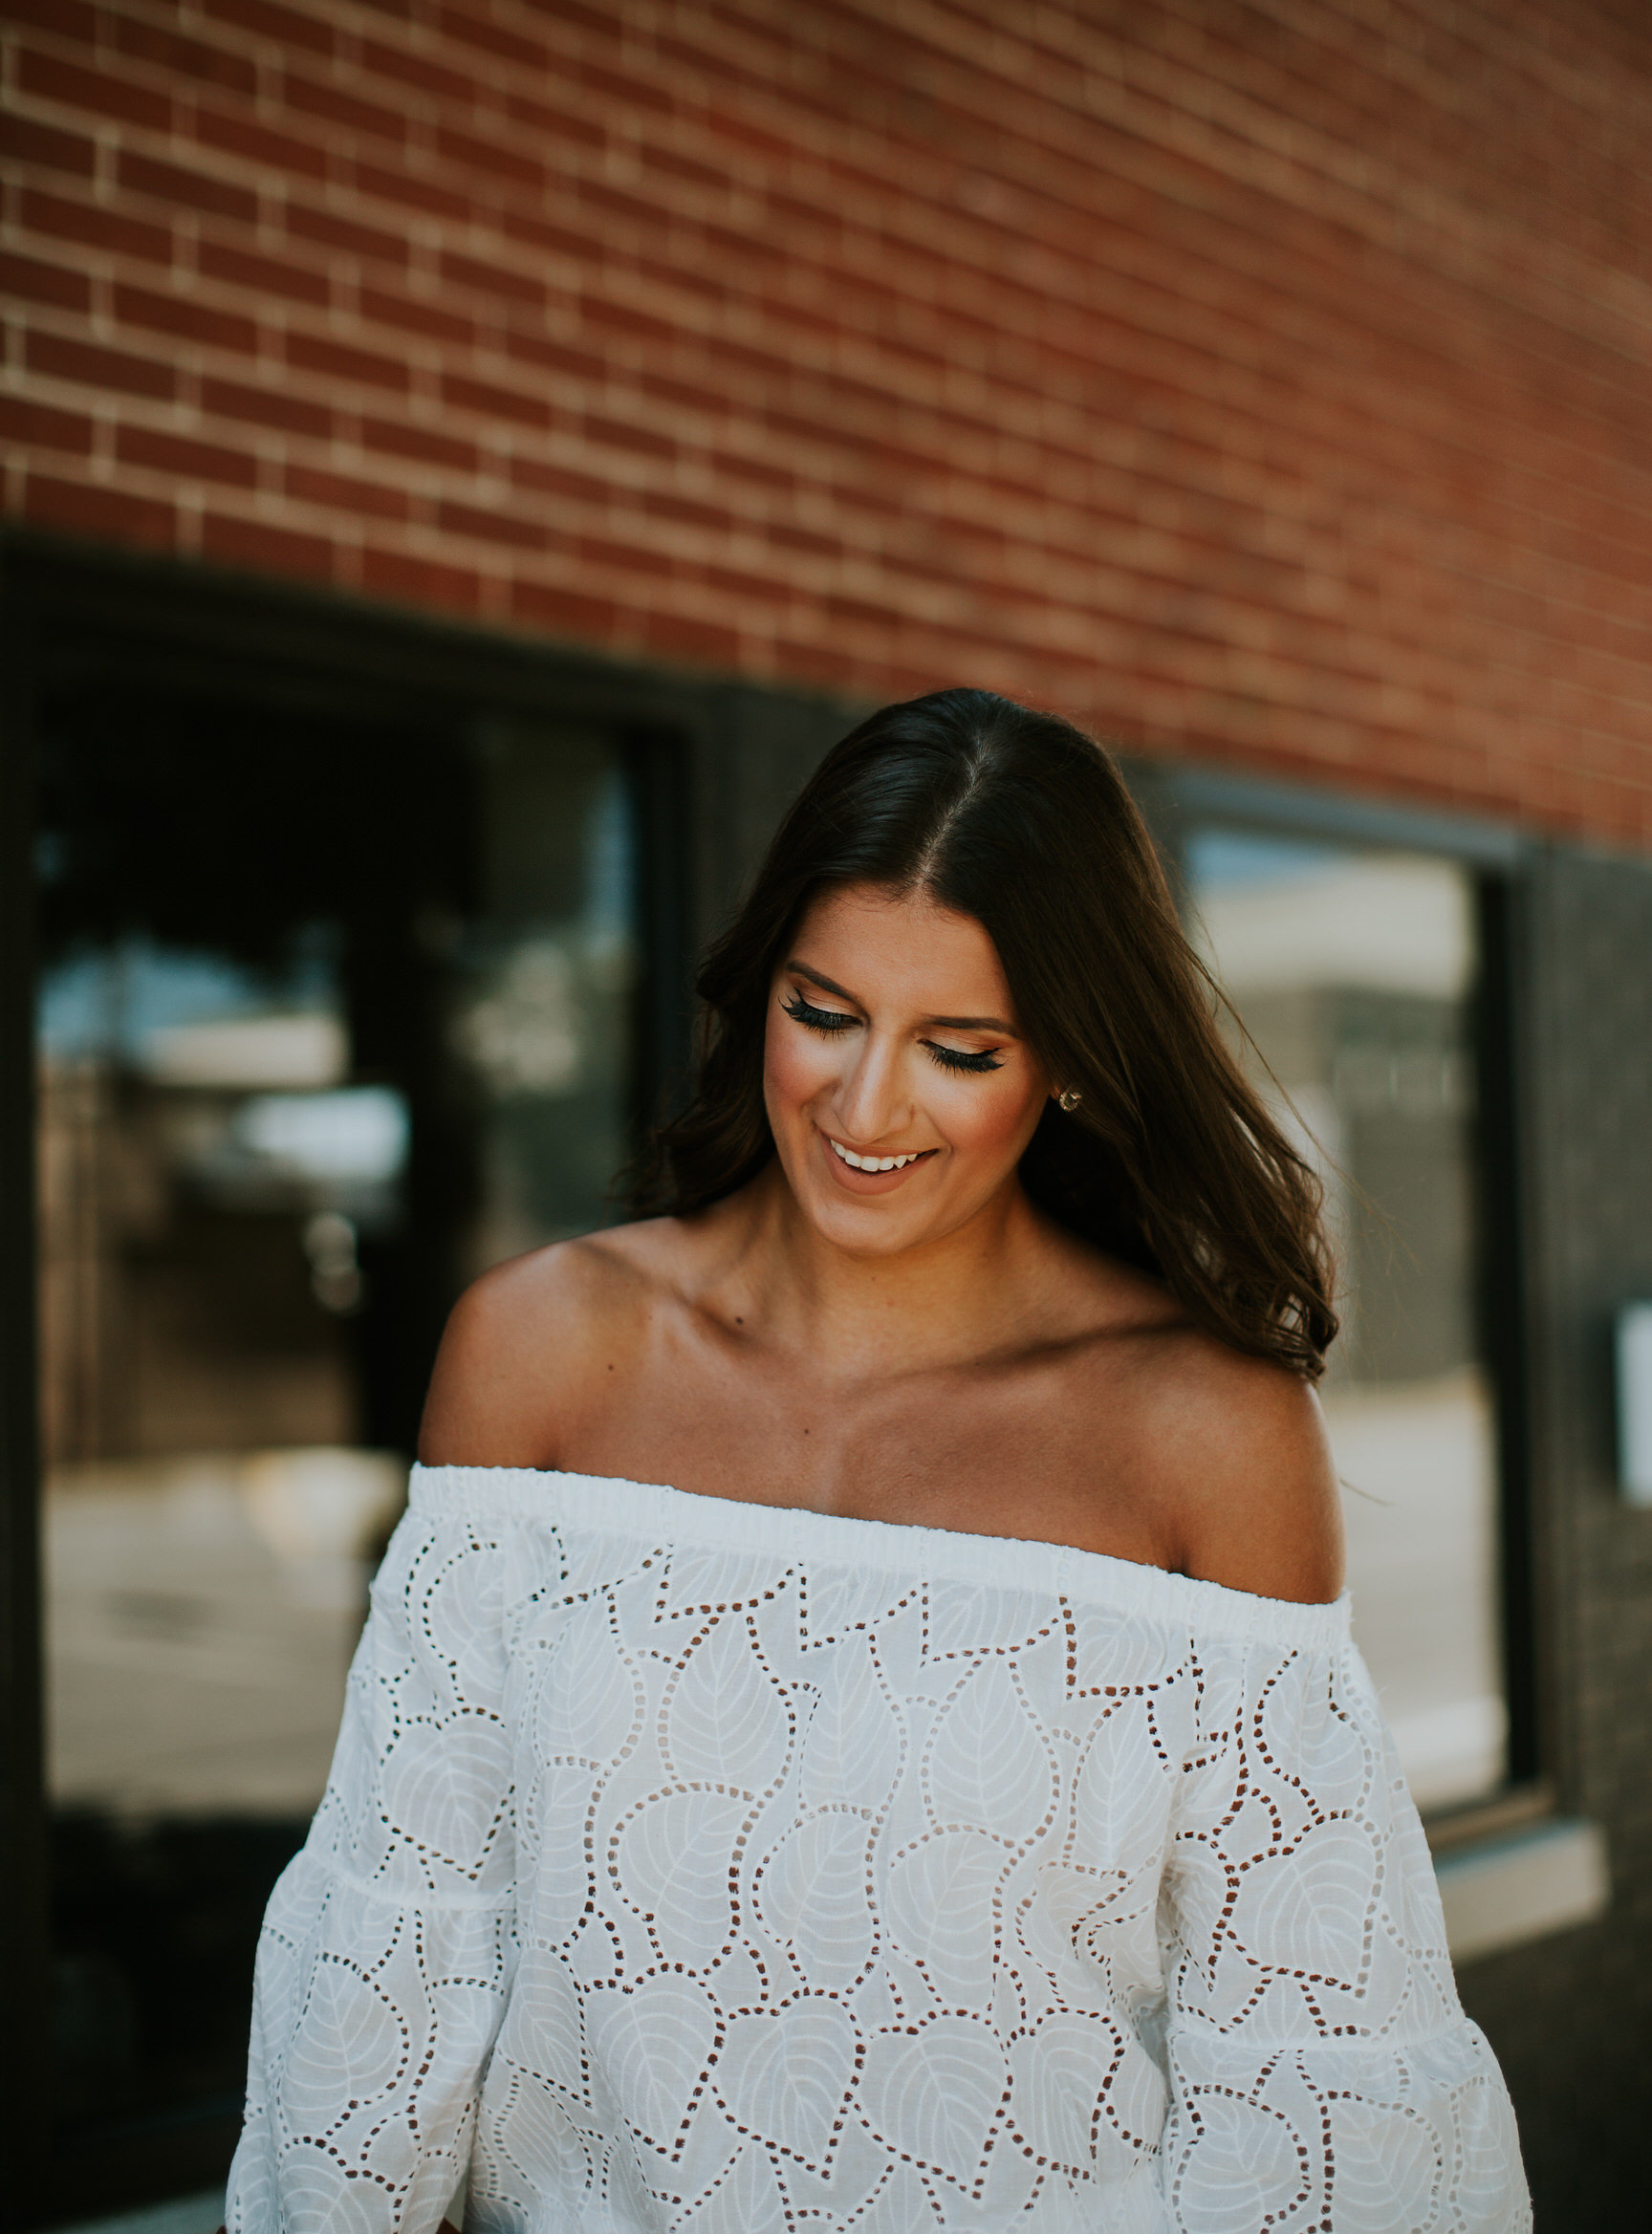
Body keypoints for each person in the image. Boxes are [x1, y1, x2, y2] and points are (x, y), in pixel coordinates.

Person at [226, 688, 1530, 2232]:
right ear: (759, 990)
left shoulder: (1208, 1436)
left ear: (1066, 1061)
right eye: (823, 1012)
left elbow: (1314, 2071)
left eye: (958, 1047)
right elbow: (399, 1946)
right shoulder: (541, 1354)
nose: (864, 1104)